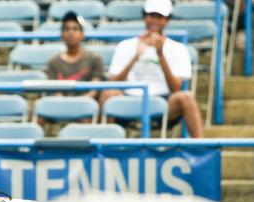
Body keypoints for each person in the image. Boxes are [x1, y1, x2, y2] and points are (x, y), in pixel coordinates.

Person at [100, 0, 205, 138]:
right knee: (108, 94)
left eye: (160, 16)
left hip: (164, 102)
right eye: (151, 15)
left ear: (167, 20)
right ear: (145, 16)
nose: (155, 20)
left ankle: (201, 151)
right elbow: (114, 82)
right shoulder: (125, 46)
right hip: (129, 100)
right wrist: (135, 57)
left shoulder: (179, 49)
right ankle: (106, 149)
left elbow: (176, 88)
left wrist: (161, 55)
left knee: (187, 97)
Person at [47, 11, 104, 100]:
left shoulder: (95, 59)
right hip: (60, 108)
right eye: (67, 29)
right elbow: (56, 93)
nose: (71, 32)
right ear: (62, 35)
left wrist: (77, 105)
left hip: (86, 107)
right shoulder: (53, 62)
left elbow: (93, 92)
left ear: (82, 35)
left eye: (75, 29)